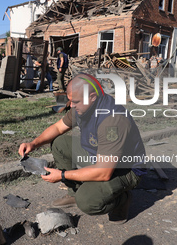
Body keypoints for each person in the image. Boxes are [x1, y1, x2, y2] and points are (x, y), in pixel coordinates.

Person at [18, 73, 146, 224]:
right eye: (70, 101)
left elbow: (104, 172)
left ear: (92, 97)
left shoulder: (112, 122)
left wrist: (63, 175)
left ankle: (122, 200)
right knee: (60, 143)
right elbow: (58, 128)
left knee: (87, 201)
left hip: (125, 170)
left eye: (75, 101)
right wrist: (34, 143)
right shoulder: (82, 106)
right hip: (99, 157)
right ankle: (74, 192)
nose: (71, 105)